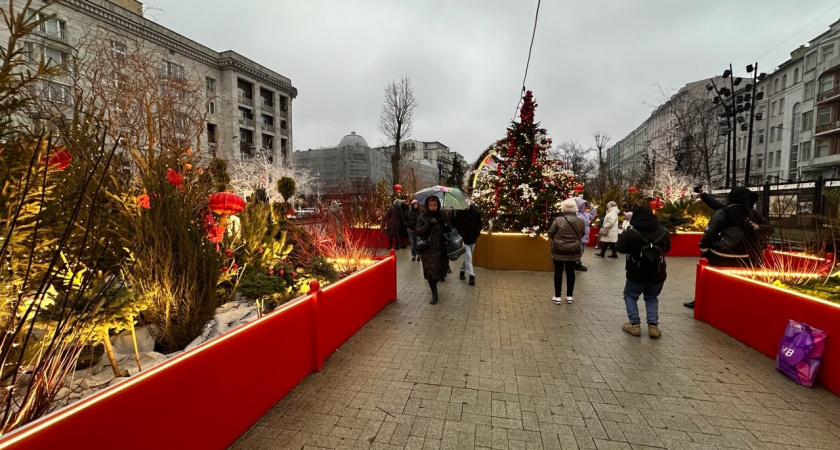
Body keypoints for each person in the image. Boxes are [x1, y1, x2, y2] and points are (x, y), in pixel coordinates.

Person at [685, 186, 774, 308]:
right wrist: (758, 228)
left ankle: (702, 301)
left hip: (719, 254)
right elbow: (770, 229)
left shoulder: (724, 211)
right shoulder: (753, 214)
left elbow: (710, 231)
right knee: (740, 282)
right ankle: (735, 303)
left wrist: (703, 246)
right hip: (744, 256)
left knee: (711, 280)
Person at [616, 205, 671, 339]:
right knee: (652, 298)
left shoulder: (632, 232)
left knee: (630, 296)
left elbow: (620, 248)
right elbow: (667, 249)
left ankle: (634, 325)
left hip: (636, 272)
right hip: (657, 272)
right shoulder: (663, 231)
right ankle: (653, 326)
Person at [547, 198, 585, 304]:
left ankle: (557, 296)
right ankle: (569, 296)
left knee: (558, 271)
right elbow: (582, 233)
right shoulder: (580, 220)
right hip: (573, 249)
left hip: (558, 248)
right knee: (570, 271)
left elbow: (550, 233)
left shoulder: (558, 220)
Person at [415, 196, 451, 304]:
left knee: (440, 272)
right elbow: (418, 231)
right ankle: (434, 293)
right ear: (427, 205)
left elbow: (449, 229)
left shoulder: (442, 215)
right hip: (428, 250)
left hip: (441, 249)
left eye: (435, 205)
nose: (433, 207)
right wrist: (429, 225)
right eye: (431, 205)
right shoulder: (422, 217)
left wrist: (444, 222)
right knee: (431, 273)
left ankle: (435, 287)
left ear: (438, 205)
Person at [451, 198, 483, 286]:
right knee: (468, 256)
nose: (466, 206)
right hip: (464, 239)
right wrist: (461, 233)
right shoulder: (459, 214)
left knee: (468, 256)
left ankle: (462, 270)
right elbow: (455, 225)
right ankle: (472, 276)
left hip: (473, 238)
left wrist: (477, 232)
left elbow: (479, 224)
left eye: (468, 204)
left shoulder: (475, 213)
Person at [574, 198, 597, 271]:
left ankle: (577, 262)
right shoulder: (576, 214)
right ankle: (576, 263)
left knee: (582, 250)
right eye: (581, 205)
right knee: (579, 250)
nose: (583, 206)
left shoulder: (586, 214)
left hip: (585, 235)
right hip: (579, 236)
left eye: (584, 205)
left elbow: (592, 216)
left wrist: (593, 209)